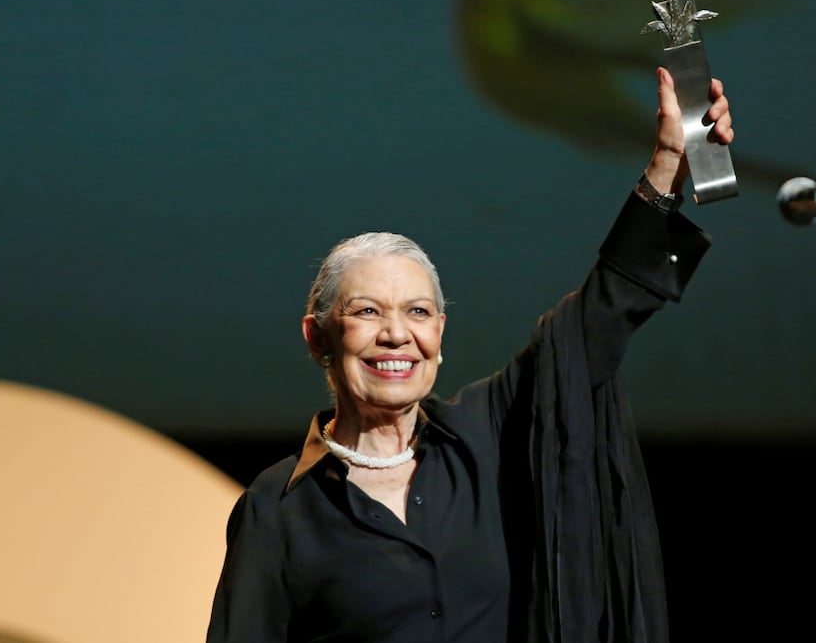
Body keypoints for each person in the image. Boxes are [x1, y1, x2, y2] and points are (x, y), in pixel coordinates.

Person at [206, 66, 734, 643]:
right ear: (318, 338)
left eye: (417, 312)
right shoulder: (275, 509)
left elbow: (591, 327)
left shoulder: (486, 435)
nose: (396, 335)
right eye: (365, 312)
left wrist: (664, 171)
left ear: (440, 331)